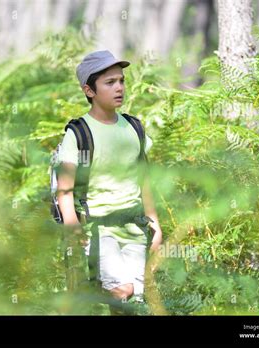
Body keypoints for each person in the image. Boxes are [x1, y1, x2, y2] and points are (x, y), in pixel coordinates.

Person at [56, 50, 163, 314]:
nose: (119, 88)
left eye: (122, 81)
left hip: (135, 228)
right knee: (122, 289)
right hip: (99, 230)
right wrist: (72, 227)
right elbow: (64, 188)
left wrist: (154, 221)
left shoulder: (133, 128)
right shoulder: (79, 133)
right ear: (89, 90)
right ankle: (92, 290)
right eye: (109, 82)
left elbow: (144, 179)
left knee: (134, 303)